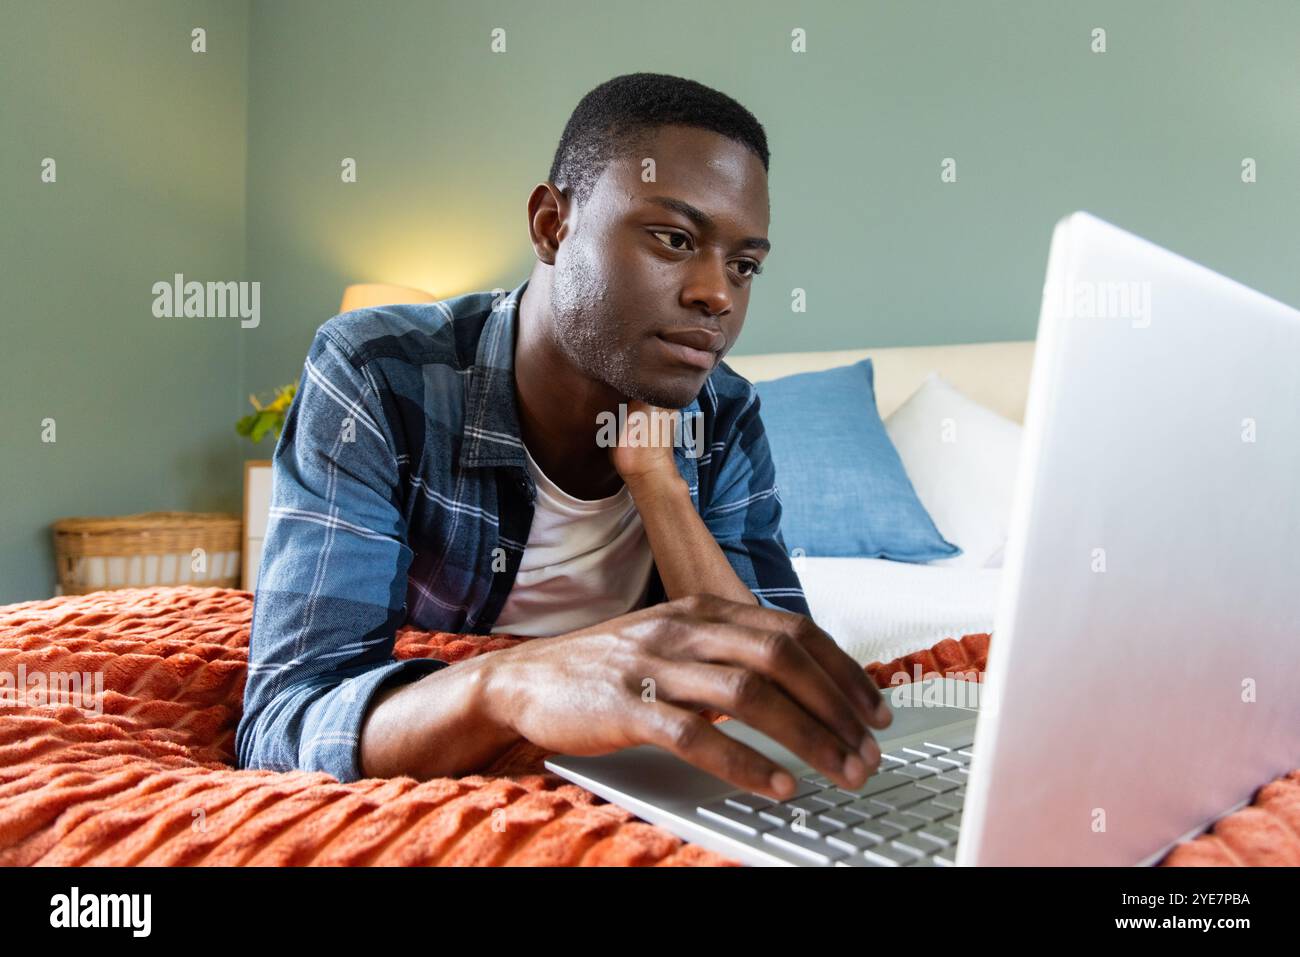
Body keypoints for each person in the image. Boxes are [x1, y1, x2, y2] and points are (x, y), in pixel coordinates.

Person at [235, 73, 891, 801]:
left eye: (744, 265)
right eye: (674, 238)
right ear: (552, 225)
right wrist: (509, 682)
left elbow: (776, 685)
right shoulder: (382, 375)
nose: (718, 294)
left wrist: (657, 482)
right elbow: (284, 720)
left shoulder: (723, 414)